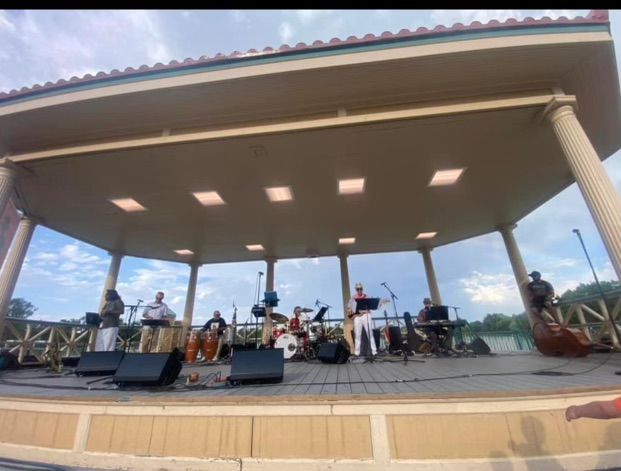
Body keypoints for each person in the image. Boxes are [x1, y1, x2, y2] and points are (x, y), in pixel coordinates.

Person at [347, 282, 377, 357]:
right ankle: (357, 353)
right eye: (358, 289)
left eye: (360, 289)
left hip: (366, 315)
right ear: (356, 290)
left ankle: (374, 352)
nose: (359, 290)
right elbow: (349, 309)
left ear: (362, 289)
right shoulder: (353, 298)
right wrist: (355, 313)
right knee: (357, 334)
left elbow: (371, 307)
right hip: (357, 316)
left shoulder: (366, 296)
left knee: (370, 333)